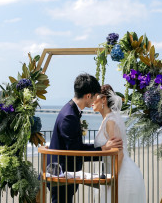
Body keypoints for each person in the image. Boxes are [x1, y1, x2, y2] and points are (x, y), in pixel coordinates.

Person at [48, 73, 123, 203]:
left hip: (66, 173)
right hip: (62, 174)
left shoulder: (70, 111)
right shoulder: (69, 116)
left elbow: (75, 147)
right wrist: (103, 149)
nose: (95, 99)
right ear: (88, 96)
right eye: (94, 96)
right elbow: (76, 151)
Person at [92, 84, 146, 203]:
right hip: (111, 172)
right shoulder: (107, 120)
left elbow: (119, 153)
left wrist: (113, 179)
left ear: (104, 99)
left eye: (95, 96)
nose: (92, 100)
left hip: (122, 176)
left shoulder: (110, 121)